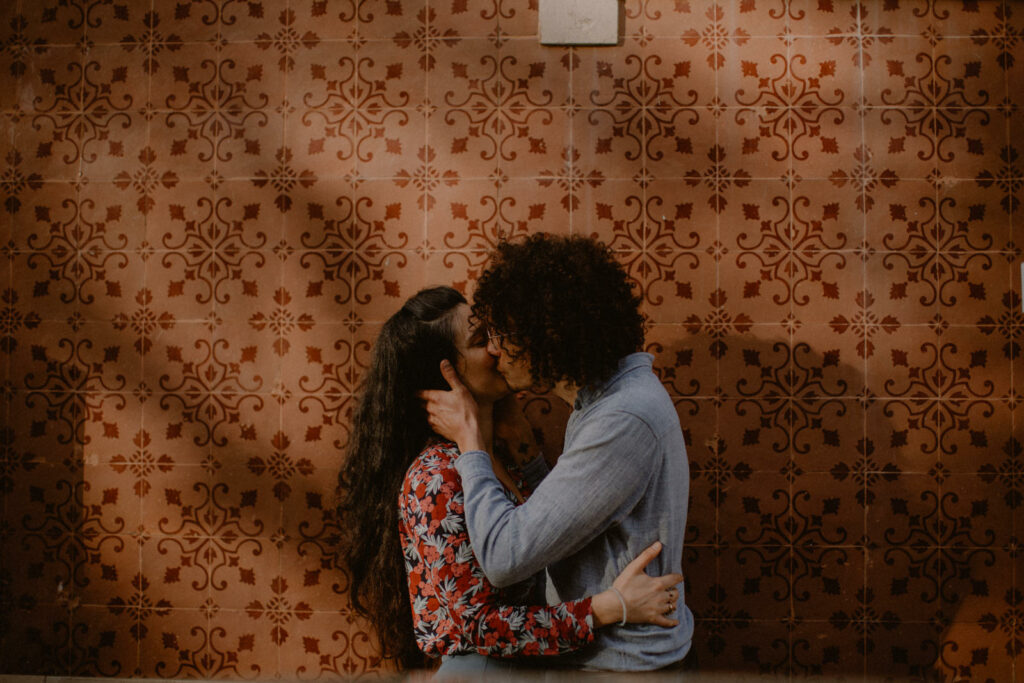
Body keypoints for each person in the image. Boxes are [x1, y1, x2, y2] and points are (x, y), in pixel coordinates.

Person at [336, 286, 684, 676]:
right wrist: (608, 608)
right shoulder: (434, 477)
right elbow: (477, 626)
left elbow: (546, 540)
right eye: (482, 340)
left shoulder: (498, 461)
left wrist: (524, 454)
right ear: (444, 374)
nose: (501, 348)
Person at [422, 234, 694, 671]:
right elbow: (573, 515)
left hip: (619, 664)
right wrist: (527, 454)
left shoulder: (622, 417)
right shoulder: (602, 402)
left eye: (503, 334)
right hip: (601, 648)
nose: (494, 348)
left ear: (549, 336)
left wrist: (471, 441)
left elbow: (505, 557)